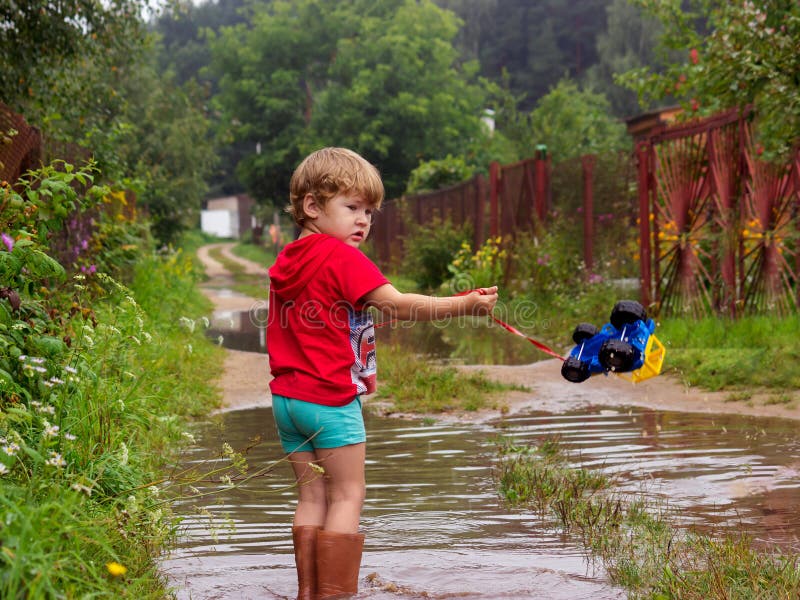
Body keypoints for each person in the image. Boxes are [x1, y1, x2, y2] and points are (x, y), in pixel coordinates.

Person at [267, 147, 498, 599]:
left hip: (286, 402)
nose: (363, 221)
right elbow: (401, 304)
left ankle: (308, 593)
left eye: (369, 211)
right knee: (348, 494)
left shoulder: (288, 258)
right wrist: (466, 304)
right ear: (312, 207)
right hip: (330, 401)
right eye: (351, 207)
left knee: (311, 497)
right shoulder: (342, 258)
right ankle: (334, 596)